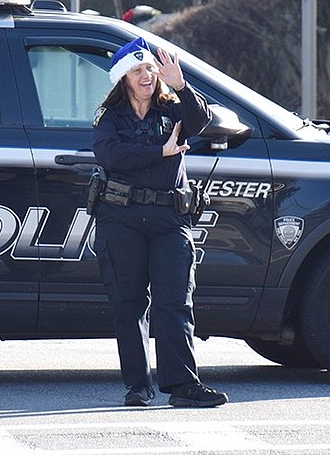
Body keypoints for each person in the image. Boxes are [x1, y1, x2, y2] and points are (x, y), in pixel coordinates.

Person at [91, 37, 227, 408]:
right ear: (124, 79)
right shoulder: (111, 117)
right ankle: (138, 386)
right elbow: (109, 154)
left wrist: (182, 85)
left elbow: (202, 121)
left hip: (170, 218)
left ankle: (183, 386)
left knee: (174, 303)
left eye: (150, 68)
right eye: (138, 70)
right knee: (129, 303)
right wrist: (159, 152)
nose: (146, 75)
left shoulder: (173, 108)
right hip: (123, 217)